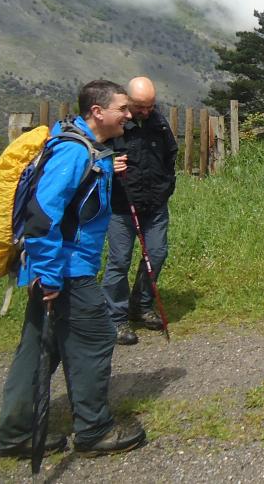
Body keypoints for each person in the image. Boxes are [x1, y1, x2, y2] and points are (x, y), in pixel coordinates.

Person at [0, 80, 147, 459]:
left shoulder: (83, 146)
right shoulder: (74, 153)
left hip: (49, 269)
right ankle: (94, 430)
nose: (128, 116)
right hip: (64, 271)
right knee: (95, 338)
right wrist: (48, 274)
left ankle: (14, 434)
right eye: (122, 109)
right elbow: (42, 215)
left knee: (38, 347)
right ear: (98, 112)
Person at [103, 77, 178, 345]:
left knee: (156, 253)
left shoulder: (158, 122)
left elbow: (171, 154)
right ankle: (115, 317)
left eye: (151, 106)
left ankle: (142, 305)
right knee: (119, 260)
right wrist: (108, 166)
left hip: (155, 203)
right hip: (120, 205)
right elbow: (95, 157)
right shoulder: (114, 125)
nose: (146, 111)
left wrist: (166, 187)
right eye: (140, 107)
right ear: (128, 101)